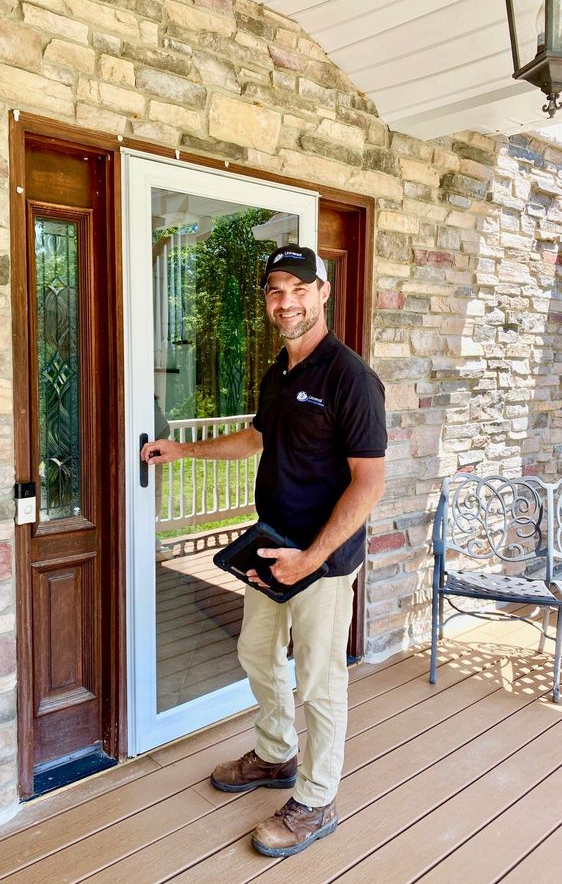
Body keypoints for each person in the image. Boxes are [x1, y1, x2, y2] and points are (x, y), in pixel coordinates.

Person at [141, 244, 386, 858]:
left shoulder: (350, 377)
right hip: (271, 545)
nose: (286, 302)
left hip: (322, 560)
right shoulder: (279, 371)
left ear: (322, 292)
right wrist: (185, 451)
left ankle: (317, 797)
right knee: (256, 652)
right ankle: (277, 752)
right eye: (276, 291)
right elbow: (257, 436)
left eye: (298, 289)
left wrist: (312, 557)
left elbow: (368, 482)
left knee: (321, 680)